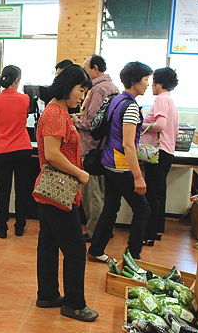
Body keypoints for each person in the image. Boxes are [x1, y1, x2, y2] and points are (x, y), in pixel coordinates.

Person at [35, 64, 98, 322]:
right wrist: (80, 173)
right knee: (74, 248)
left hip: (54, 191)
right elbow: (52, 154)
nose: (82, 97)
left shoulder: (58, 112)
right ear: (67, 86)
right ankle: (74, 303)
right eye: (81, 90)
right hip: (58, 190)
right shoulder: (55, 114)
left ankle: (48, 294)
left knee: (49, 244)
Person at [87, 61, 153, 262]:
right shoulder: (131, 107)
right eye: (145, 80)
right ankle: (133, 255)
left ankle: (96, 249)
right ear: (134, 81)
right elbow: (128, 144)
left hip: (108, 161)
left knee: (111, 207)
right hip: (121, 165)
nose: (148, 84)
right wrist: (138, 177)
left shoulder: (116, 100)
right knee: (143, 209)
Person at [75, 54, 119, 243]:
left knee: (92, 196)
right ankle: (104, 229)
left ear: (94, 68)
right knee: (101, 194)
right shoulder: (112, 87)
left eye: (86, 68)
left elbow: (90, 121)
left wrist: (75, 119)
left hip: (91, 148)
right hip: (104, 148)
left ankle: (95, 232)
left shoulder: (98, 89)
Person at [0, 65, 32, 238]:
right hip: (23, 148)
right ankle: (20, 226)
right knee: (22, 189)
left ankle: (1, 227)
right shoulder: (25, 99)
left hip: (3, 149)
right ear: (16, 80)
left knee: (3, 189)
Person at [141, 67, 179, 246]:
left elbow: (160, 124)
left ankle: (148, 233)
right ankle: (156, 230)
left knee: (152, 194)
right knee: (159, 193)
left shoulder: (162, 99)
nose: (151, 85)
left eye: (153, 81)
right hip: (167, 151)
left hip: (157, 152)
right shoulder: (170, 100)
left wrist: (141, 125)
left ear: (160, 83)